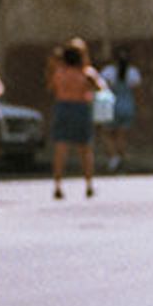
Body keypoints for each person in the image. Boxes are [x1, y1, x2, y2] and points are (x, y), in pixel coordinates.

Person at [45, 38, 103, 198]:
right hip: (81, 108)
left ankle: (58, 185)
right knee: (85, 148)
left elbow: (51, 87)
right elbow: (101, 87)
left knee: (61, 147)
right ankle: (89, 184)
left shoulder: (59, 72)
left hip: (62, 107)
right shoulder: (87, 72)